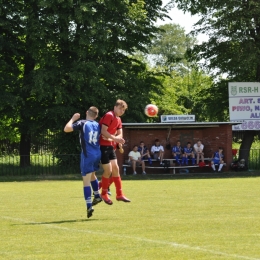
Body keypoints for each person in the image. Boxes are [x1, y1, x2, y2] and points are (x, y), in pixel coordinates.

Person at [64, 107, 102, 218]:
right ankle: (97, 195)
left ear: (87, 113)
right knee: (93, 175)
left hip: (87, 155)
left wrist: (73, 118)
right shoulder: (97, 125)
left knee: (85, 181)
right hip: (97, 154)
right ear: (96, 116)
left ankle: (89, 205)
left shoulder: (82, 123)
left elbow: (67, 129)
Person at [99, 99, 130, 205]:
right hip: (102, 146)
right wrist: (115, 139)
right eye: (121, 109)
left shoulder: (119, 119)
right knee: (108, 171)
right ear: (115, 107)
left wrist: (113, 139)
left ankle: (119, 194)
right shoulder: (109, 115)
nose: (122, 111)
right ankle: (103, 193)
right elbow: (103, 131)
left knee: (116, 168)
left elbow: (120, 134)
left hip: (110, 146)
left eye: (124, 110)